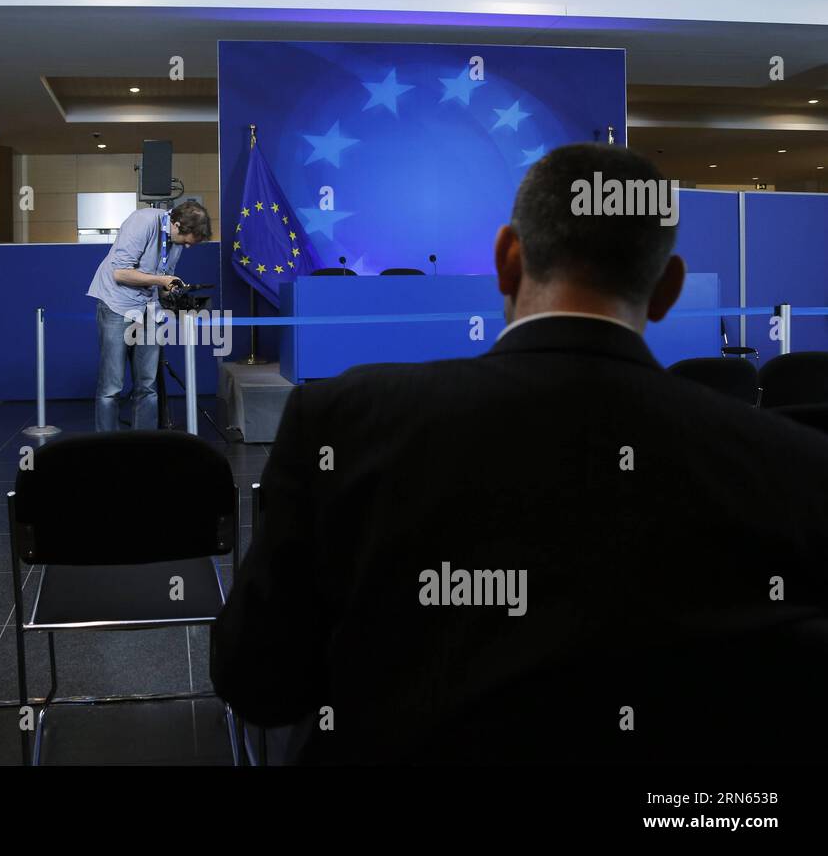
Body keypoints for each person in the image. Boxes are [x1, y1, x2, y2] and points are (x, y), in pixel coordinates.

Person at [211, 143, 828, 764]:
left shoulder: (342, 425)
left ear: (507, 260)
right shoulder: (797, 468)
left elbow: (257, 681)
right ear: (668, 288)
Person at [86, 200, 211, 431]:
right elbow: (121, 274)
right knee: (111, 386)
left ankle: (145, 443)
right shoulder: (142, 222)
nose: (188, 247)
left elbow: (164, 275)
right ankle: (104, 445)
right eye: (186, 241)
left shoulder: (176, 242)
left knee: (148, 384)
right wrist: (160, 281)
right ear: (176, 224)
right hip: (116, 303)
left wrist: (171, 288)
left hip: (148, 306)